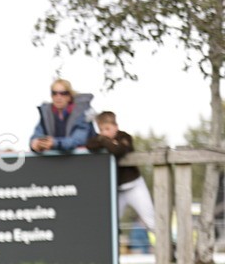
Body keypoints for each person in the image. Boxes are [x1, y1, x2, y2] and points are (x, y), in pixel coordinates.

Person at [86, 111, 156, 241]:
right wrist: (105, 140)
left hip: (134, 186)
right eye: (101, 129)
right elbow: (90, 144)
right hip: (117, 191)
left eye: (107, 129)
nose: (104, 132)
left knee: (151, 222)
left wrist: (104, 141)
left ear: (116, 127)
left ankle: (171, 251)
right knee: (111, 224)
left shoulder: (125, 137)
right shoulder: (99, 139)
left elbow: (118, 151)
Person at [30, 78, 95, 153]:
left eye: (63, 93)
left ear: (69, 96)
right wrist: (35, 143)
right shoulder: (46, 114)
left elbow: (79, 140)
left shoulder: (82, 113)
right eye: (54, 93)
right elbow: (37, 134)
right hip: (55, 163)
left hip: (83, 161)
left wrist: (55, 143)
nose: (58, 97)